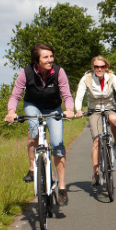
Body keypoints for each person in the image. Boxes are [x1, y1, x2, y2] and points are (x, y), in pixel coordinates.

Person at [5, 43, 74, 206]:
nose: (50, 60)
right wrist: (10, 111)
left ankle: (62, 187)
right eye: (46, 57)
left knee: (57, 144)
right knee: (34, 130)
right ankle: (32, 168)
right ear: (37, 60)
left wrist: (69, 109)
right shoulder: (26, 72)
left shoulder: (59, 72)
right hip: (33, 105)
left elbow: (66, 94)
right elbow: (16, 94)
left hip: (53, 107)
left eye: (51, 56)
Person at [75, 56, 116, 186]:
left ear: (106, 67)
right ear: (92, 67)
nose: (99, 69)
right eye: (96, 67)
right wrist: (78, 109)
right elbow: (79, 95)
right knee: (97, 139)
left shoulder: (112, 77)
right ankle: (95, 173)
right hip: (94, 109)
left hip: (109, 106)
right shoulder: (86, 79)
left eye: (102, 67)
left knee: (114, 119)